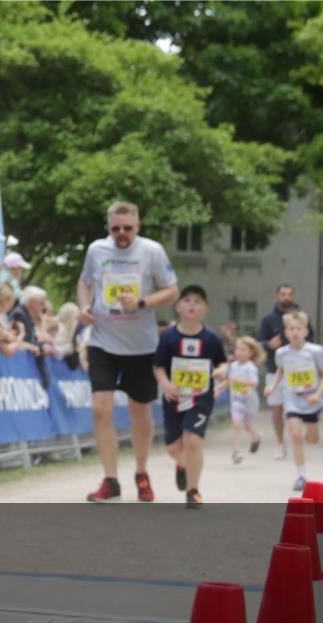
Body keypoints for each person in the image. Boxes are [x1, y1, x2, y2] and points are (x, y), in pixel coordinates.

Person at [77, 201, 179, 502]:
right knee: (100, 408)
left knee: (140, 412)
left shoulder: (152, 251)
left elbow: (172, 290)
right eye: (115, 228)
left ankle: (141, 472)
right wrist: (84, 306)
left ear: (138, 226)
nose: (121, 234)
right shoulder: (96, 250)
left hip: (141, 346)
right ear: (108, 228)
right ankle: (110, 480)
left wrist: (142, 303)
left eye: (127, 228)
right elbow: (84, 283)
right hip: (103, 342)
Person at [152, 286, 228, 508]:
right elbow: (158, 366)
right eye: (187, 300)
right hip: (174, 398)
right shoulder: (168, 337)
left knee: (193, 441)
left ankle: (193, 490)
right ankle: (183, 465)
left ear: (205, 309)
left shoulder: (211, 338)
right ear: (177, 307)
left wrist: (222, 370)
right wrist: (165, 384)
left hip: (200, 398)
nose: (192, 304)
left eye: (197, 301)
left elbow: (223, 362)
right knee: (173, 448)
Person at [264, 311, 323, 490]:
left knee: (313, 439)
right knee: (295, 434)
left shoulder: (316, 351)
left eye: (299, 329)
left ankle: (310, 433)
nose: (295, 332)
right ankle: (301, 476)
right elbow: (280, 370)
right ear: (286, 332)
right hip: (292, 397)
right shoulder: (281, 353)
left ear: (306, 331)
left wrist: (318, 394)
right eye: (291, 329)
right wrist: (272, 387)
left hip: (311, 399)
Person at [257, 283, 310, 460]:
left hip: (298, 371)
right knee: (277, 409)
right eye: (283, 294)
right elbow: (258, 342)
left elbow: (311, 340)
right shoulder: (268, 319)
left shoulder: (302, 317)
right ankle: (280, 443)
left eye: (289, 294)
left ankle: (298, 437)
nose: (286, 297)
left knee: (299, 407)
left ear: (293, 296)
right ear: (277, 296)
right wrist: (268, 344)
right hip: (275, 370)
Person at [214, 336, 266, 463]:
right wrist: (219, 388)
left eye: (243, 350)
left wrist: (239, 381)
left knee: (247, 426)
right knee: (237, 424)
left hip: (250, 401)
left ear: (251, 353)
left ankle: (256, 437)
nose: (239, 352)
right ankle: (236, 452)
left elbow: (254, 383)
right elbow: (229, 381)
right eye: (237, 349)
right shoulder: (233, 366)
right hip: (237, 401)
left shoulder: (250, 367)